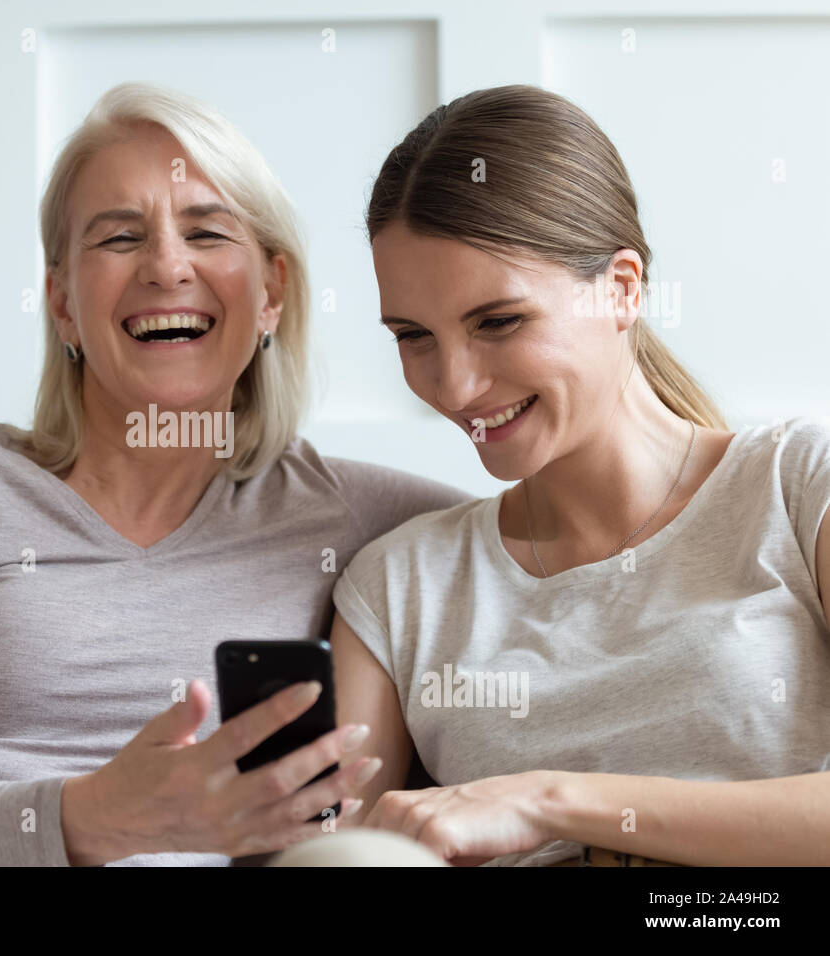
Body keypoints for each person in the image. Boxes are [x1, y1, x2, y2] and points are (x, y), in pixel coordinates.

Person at [0, 82, 470, 867]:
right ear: (63, 303)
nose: (167, 267)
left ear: (271, 292)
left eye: (208, 232)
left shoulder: (361, 517)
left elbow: (576, 543)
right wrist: (89, 819)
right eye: (118, 238)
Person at [313, 84, 830, 867]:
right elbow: (340, 857)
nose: (453, 386)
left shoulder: (796, 487)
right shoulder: (400, 587)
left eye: (498, 322)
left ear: (621, 289)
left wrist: (545, 801)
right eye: (413, 335)